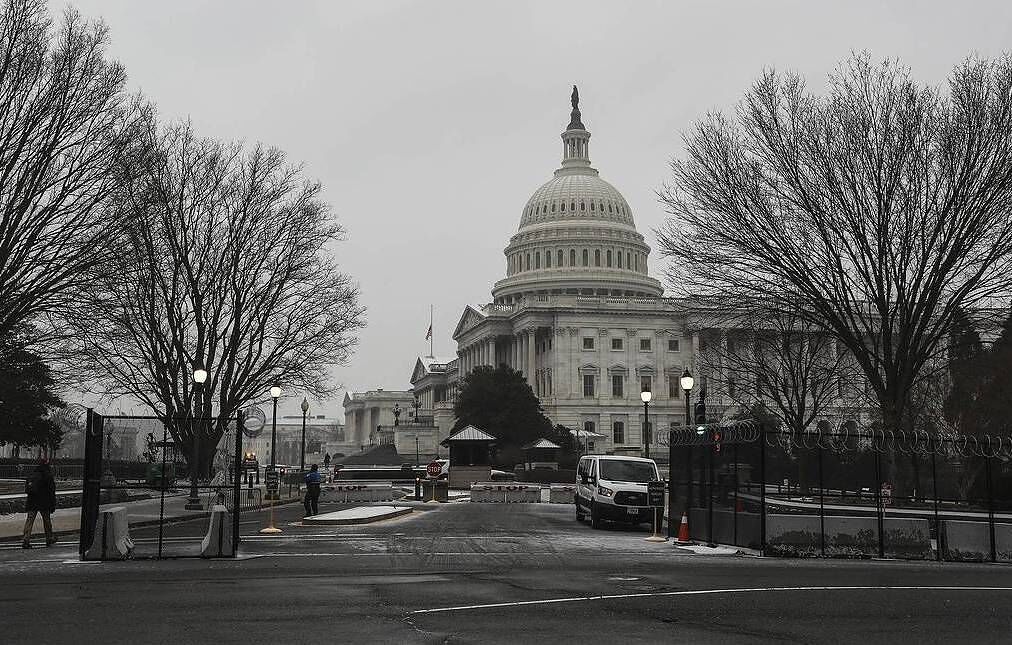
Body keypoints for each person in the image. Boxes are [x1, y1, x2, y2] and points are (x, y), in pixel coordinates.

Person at [23, 459, 57, 549]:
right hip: (44, 503)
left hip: (32, 502)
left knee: (29, 521)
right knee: (47, 521)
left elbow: (28, 489)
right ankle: (49, 538)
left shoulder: (33, 474)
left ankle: (26, 539)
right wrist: (53, 505)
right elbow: (51, 492)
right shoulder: (48, 476)